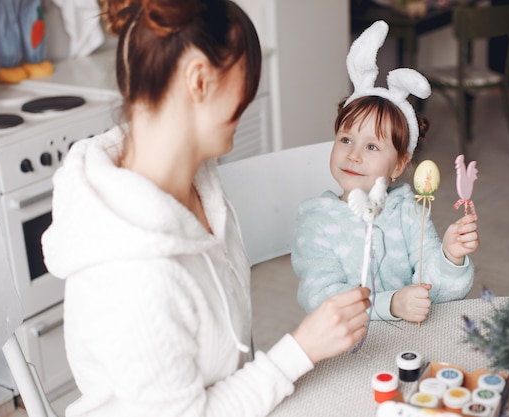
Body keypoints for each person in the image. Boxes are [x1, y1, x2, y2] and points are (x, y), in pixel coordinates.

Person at [41, 1, 371, 416]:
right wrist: (301, 349)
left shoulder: (193, 179)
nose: (248, 96)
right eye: (244, 77)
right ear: (198, 79)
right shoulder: (131, 277)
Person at [292, 20, 479, 324]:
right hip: (344, 347)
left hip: (405, 342)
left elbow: (436, 293)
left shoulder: (407, 212)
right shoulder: (317, 221)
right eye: (346, 139)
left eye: (372, 147)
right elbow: (321, 298)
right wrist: (390, 304)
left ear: (400, 165)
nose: (353, 154)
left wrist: (450, 255)